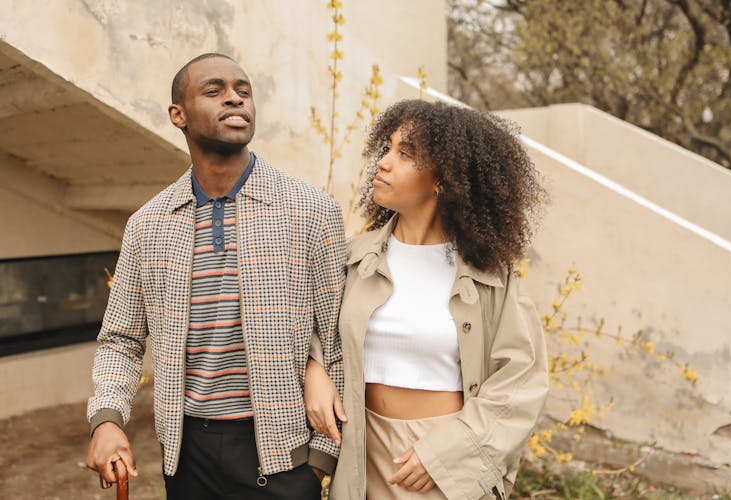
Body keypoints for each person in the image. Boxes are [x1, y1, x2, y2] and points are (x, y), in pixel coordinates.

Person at [85, 53, 346, 500]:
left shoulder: (311, 211)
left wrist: (320, 462)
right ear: (178, 115)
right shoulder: (148, 224)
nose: (234, 99)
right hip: (187, 460)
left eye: (243, 90)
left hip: (285, 460)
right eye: (215, 90)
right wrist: (107, 418)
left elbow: (340, 335)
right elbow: (121, 340)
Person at [304, 99, 549, 499]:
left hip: (440, 465)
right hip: (362, 457)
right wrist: (314, 368)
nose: (383, 162)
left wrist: (446, 455)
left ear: (443, 179)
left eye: (406, 154)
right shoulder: (352, 257)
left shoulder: (490, 276)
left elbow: (522, 381)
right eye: (387, 148)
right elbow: (313, 330)